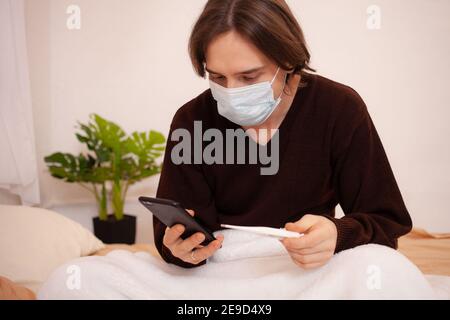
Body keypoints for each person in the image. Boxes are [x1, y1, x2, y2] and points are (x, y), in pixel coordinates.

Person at [153, 0, 412, 269]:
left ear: (287, 61)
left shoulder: (338, 109)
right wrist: (180, 251)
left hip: (310, 268)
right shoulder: (192, 121)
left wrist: (337, 234)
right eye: (218, 77)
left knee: (386, 270)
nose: (231, 92)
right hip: (224, 271)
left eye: (249, 77)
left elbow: (387, 223)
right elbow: (178, 237)